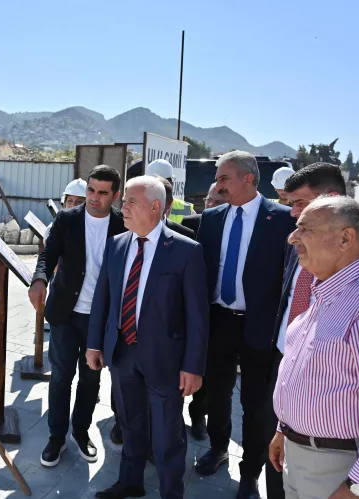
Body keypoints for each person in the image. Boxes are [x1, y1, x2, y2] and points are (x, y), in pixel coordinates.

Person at [86, 176, 209, 499]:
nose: (122, 207)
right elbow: (103, 298)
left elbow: (198, 316)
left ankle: (171, 493)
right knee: (130, 423)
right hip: (122, 352)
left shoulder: (185, 250)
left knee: (167, 434)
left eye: (130, 202)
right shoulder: (116, 245)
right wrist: (95, 343)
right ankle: (130, 482)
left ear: (155, 207)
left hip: (166, 360)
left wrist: (193, 366)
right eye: (124, 200)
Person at [194, 151, 295, 499]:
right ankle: (218, 448)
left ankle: (250, 473)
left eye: (224, 178)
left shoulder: (281, 219)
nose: (218, 185)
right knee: (217, 394)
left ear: (248, 179)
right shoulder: (211, 219)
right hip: (219, 321)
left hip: (260, 326)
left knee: (256, 404)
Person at [269, 196, 359, 499]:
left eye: (305, 229)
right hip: (300, 454)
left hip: (339, 470)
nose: (293, 237)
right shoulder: (326, 292)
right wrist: (284, 429)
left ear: (345, 239)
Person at [29, 165, 125, 467]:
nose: (94, 197)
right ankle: (56, 437)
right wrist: (39, 279)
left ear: (115, 195)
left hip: (101, 319)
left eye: (102, 193)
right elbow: (48, 255)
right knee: (61, 377)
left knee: (91, 379)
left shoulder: (123, 224)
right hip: (65, 314)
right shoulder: (67, 219)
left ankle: (81, 432)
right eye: (91, 190)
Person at [265, 162, 350, 499]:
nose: (292, 212)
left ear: (332, 199)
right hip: (284, 364)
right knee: (276, 461)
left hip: (334, 423)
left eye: (300, 203)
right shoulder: (299, 241)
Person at [180, 181, 227, 441]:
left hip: (218, 311)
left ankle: (198, 415)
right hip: (187, 308)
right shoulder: (190, 224)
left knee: (207, 371)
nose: (211, 206)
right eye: (209, 200)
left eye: (218, 202)